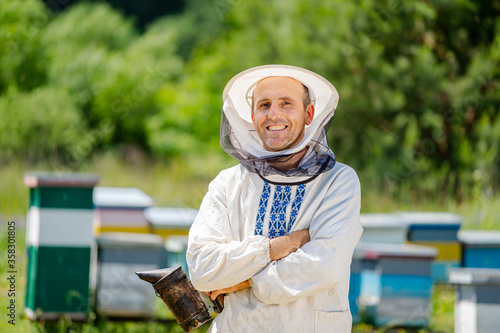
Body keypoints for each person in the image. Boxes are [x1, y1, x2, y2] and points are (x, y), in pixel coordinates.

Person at [187, 65, 363, 332]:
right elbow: (201, 269)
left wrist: (243, 281)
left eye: (286, 103)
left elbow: (325, 266)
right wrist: (280, 246)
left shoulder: (338, 182)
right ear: (252, 115)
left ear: (309, 114)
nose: (274, 114)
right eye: (264, 104)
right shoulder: (227, 183)